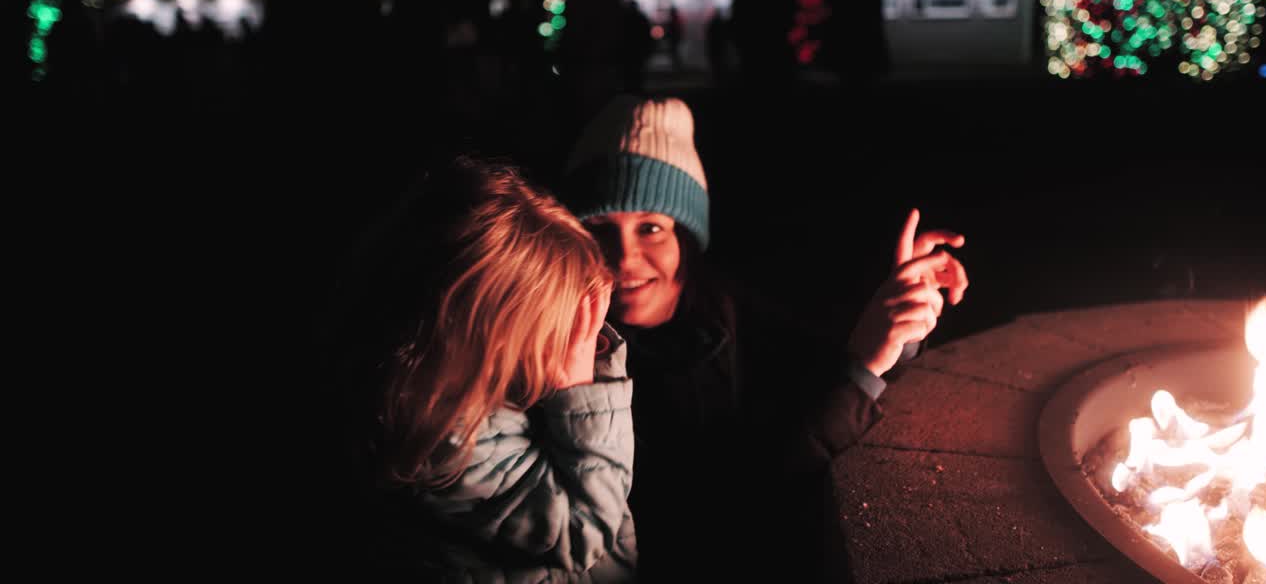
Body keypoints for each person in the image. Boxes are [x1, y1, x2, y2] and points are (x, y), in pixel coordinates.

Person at [559, 96, 968, 580]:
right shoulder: (572, 362)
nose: (625, 257)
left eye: (650, 227)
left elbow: (819, 371)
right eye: (601, 229)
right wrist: (860, 372)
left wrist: (901, 318)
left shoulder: (729, 313)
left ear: (687, 236)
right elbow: (726, 508)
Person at [346, 156, 639, 581]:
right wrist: (581, 388)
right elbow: (583, 533)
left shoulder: (480, 399)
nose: (575, 341)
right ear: (490, 333)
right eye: (552, 327)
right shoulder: (445, 439)